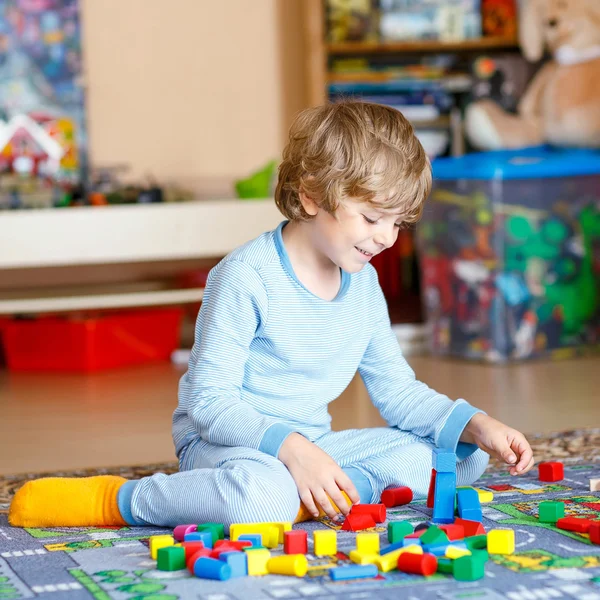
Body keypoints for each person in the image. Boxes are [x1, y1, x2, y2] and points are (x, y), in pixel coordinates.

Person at [9, 101, 534, 531]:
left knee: (459, 458)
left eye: (398, 223)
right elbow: (208, 404)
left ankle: (319, 488)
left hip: (312, 441)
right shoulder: (244, 276)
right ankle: (123, 500)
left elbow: (397, 392)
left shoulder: (365, 283)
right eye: (372, 217)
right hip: (227, 442)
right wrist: (290, 449)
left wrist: (476, 423)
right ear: (311, 196)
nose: (385, 238)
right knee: (261, 501)